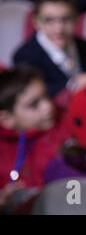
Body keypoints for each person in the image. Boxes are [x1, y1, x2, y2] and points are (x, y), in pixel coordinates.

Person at [13, 0, 86, 97]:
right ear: (36, 22)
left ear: (77, 19)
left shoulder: (84, 47)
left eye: (66, 19)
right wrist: (72, 85)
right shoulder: (24, 57)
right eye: (49, 20)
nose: (59, 28)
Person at [0, 66, 70, 214]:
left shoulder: (66, 129)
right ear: (6, 118)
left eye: (47, 96)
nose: (47, 107)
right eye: (34, 104)